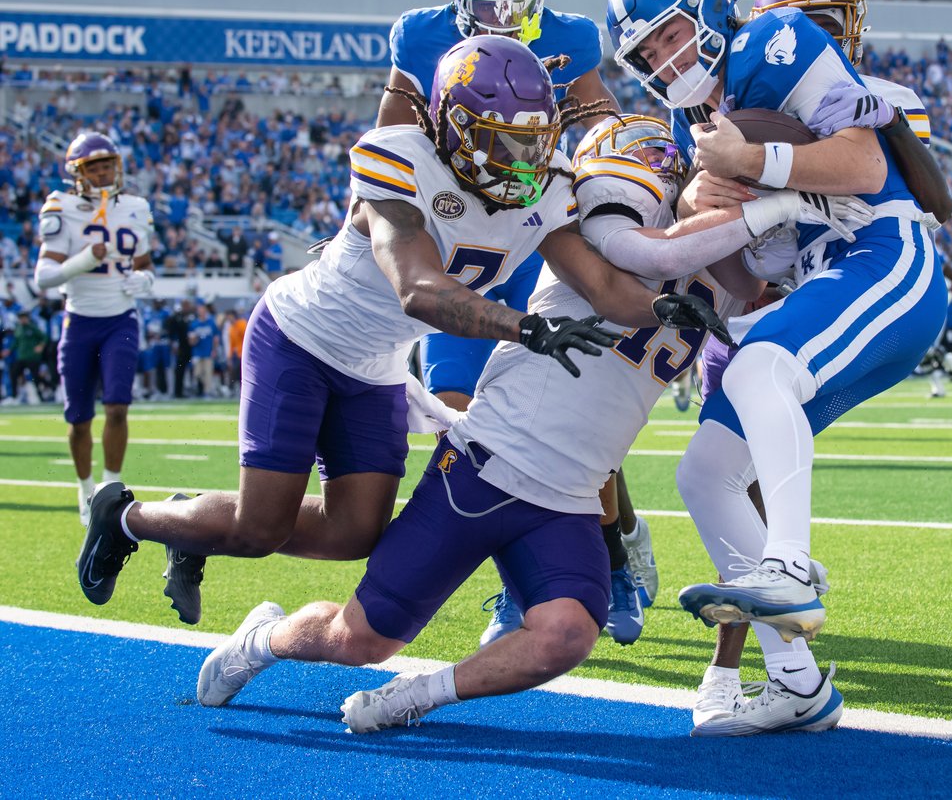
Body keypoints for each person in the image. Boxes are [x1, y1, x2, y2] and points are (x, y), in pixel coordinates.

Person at [75, 36, 724, 628]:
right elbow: (419, 288)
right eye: (503, 141)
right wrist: (525, 327)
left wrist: (662, 307)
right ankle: (127, 517)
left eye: (533, 140)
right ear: (457, 127)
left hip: (376, 366)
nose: (524, 160)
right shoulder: (399, 158)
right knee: (259, 528)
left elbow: (602, 284)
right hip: (302, 339)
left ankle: (190, 521)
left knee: (353, 534)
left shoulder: (545, 185)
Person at [190, 115, 810, 733]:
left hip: (570, 496)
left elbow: (767, 289)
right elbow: (639, 257)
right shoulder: (605, 230)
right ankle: (261, 639)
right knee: (358, 640)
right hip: (485, 467)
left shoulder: (735, 276)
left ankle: (414, 696)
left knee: (568, 633)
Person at [607, 0, 948, 734]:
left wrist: (751, 162)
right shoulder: (691, 120)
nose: (664, 60)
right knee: (704, 473)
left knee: (761, 367)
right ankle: (796, 681)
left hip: (881, 254)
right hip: (814, 278)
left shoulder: (773, 41)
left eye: (671, 36)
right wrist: (700, 205)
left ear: (706, 14)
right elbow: (748, 276)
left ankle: (788, 564)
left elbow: (865, 163)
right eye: (647, 53)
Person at [375, 0, 639, 643]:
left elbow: (605, 130)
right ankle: (516, 584)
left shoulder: (571, 39)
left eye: (516, 4)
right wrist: (365, 225)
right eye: (487, 5)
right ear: (455, 0)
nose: (502, 18)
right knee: (461, 417)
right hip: (461, 238)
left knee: (574, 420)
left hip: (535, 235)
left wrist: (618, 202)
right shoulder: (420, 38)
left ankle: (614, 558)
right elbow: (389, 140)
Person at [33, 132, 155, 525]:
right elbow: (43, 276)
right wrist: (83, 260)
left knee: (117, 408)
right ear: (77, 173)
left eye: (107, 166)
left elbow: (145, 264)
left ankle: (110, 489)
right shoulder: (61, 206)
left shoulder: (136, 206)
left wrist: (145, 280)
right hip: (80, 319)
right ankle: (85, 488)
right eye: (94, 167)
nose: (102, 173)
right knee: (78, 418)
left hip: (121, 318)